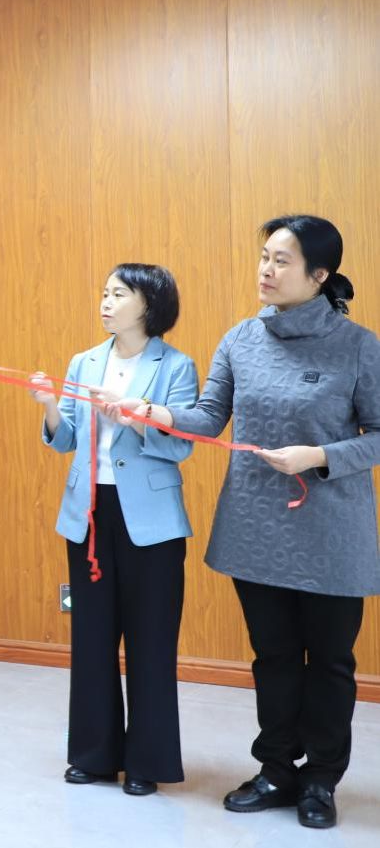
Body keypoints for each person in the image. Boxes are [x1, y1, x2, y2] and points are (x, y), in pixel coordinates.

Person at [120, 216, 380, 829]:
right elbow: (209, 416)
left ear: (319, 275)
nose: (266, 269)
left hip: (333, 533)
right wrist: (156, 413)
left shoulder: (358, 345)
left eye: (282, 261)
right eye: (265, 257)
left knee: (331, 662)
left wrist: (320, 456)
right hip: (255, 527)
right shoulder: (240, 338)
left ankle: (321, 780)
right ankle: (276, 770)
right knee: (273, 657)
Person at [29, 264, 198, 796]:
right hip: (89, 513)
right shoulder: (84, 361)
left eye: (118, 294)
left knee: (151, 640)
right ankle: (94, 756)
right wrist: (50, 406)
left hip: (152, 519)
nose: (105, 302)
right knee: (92, 637)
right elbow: (66, 439)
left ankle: (147, 761)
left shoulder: (176, 365)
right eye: (104, 293)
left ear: (149, 304)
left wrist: (135, 418)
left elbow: (182, 444)